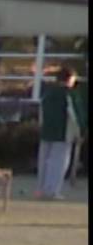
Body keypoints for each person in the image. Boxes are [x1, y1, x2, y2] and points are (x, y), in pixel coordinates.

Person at [38, 65, 79, 199]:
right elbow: (73, 114)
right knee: (59, 162)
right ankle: (52, 190)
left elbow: (41, 111)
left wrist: (42, 126)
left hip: (47, 130)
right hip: (63, 131)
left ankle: (42, 189)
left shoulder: (48, 93)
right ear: (69, 79)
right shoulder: (68, 94)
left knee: (44, 161)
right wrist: (78, 132)